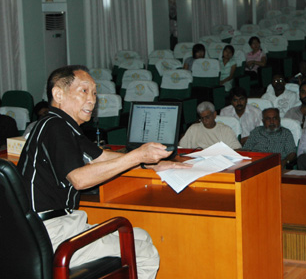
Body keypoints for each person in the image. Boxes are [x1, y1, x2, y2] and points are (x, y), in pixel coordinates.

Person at [17, 65, 192, 279]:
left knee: (140, 237)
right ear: (58, 94)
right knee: (143, 252)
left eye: (94, 92)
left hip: (47, 230)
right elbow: (79, 179)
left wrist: (153, 165)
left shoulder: (63, 127)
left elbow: (103, 157)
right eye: (84, 91)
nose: (92, 99)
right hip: (51, 233)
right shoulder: (56, 127)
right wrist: (137, 155)